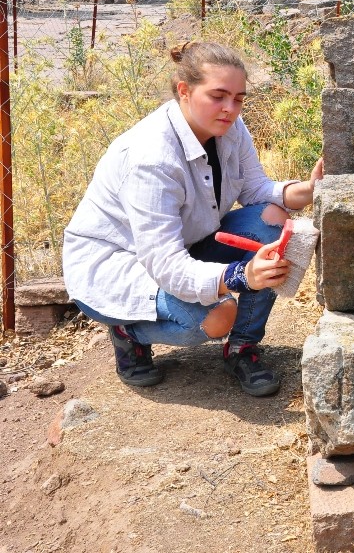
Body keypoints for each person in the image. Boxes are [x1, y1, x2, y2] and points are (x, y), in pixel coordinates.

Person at [63, 41, 323, 397]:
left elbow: (257, 189)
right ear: (184, 91)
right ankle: (129, 332)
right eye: (218, 96)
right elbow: (165, 263)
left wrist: (308, 189)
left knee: (275, 223)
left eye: (239, 98)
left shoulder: (229, 127)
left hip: (186, 242)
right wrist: (240, 276)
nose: (230, 108)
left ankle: (243, 348)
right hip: (118, 264)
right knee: (216, 315)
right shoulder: (152, 158)